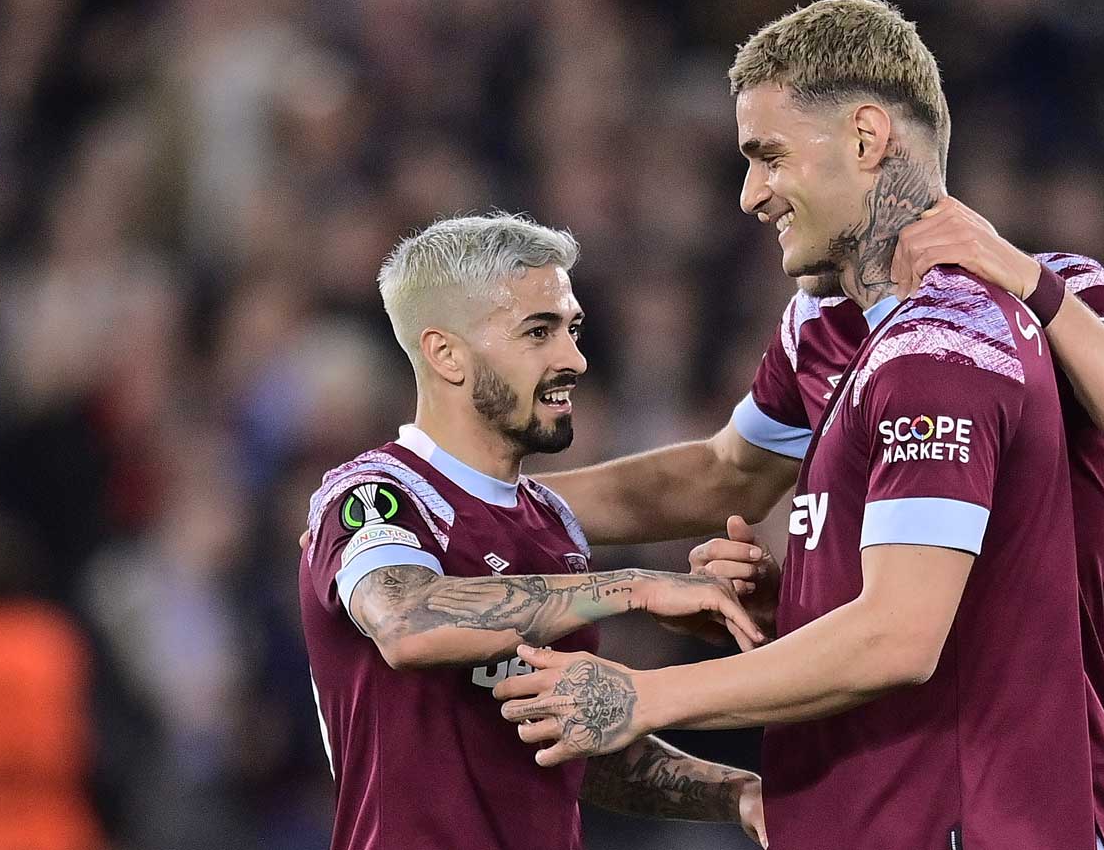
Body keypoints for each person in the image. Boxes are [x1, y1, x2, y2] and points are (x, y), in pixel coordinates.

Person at [498, 0, 1104, 850]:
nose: (749, 194)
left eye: (769, 156)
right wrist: (483, 496)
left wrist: (641, 696)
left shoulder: (1011, 317)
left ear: (868, 138)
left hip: (998, 811)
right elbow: (723, 476)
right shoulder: (823, 324)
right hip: (867, 805)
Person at [299, 213, 768, 850]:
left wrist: (739, 795)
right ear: (446, 354)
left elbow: (566, 737)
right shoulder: (376, 495)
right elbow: (405, 621)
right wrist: (637, 586)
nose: (573, 358)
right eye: (538, 332)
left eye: (572, 329)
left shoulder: (550, 526)